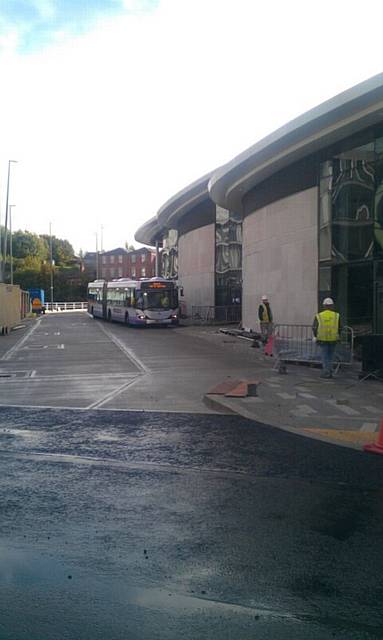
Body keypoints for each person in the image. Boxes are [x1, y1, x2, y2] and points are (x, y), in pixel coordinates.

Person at [312, 297, 341, 379]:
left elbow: (314, 327)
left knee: (325, 357)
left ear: (324, 305)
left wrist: (315, 336)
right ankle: (330, 371)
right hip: (333, 339)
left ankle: (326, 372)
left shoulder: (319, 316)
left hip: (322, 339)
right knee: (331, 356)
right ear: (332, 306)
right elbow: (339, 328)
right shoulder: (336, 315)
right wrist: (338, 336)